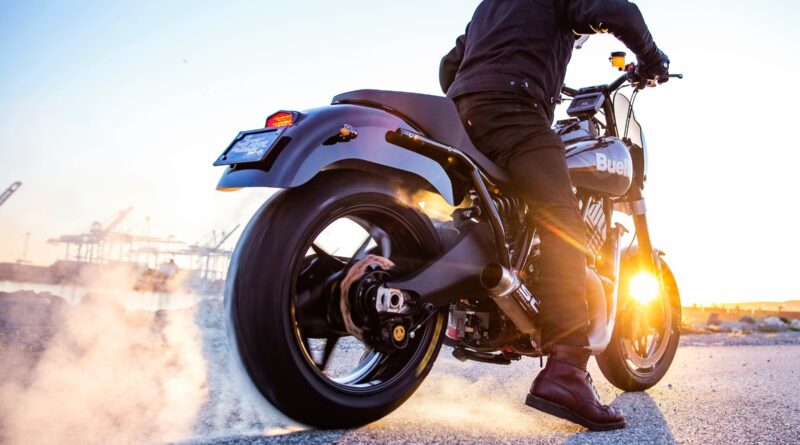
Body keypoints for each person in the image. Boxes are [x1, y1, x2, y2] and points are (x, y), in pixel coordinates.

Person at [439, 0, 670, 432]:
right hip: (515, 111)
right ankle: (566, 371)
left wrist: (474, 94)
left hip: (463, 112)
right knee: (564, 225)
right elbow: (616, 9)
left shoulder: (491, 6)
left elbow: (451, 63)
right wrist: (652, 59)